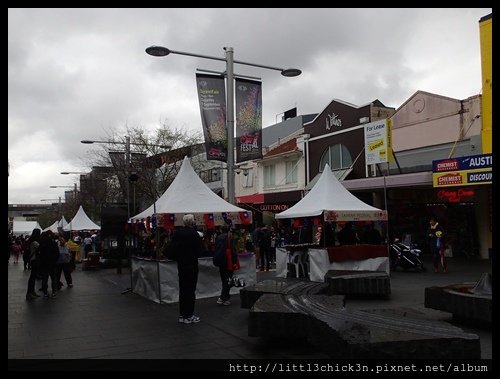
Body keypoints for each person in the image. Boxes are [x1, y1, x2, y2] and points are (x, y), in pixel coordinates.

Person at [169, 214, 204, 324]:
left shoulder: (178, 233)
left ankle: (182, 314)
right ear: (192, 222)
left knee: (183, 289)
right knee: (190, 290)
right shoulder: (194, 234)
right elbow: (200, 251)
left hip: (182, 264)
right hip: (191, 264)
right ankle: (189, 315)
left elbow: (172, 248)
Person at [214, 224, 237, 306]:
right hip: (228, 260)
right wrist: (235, 261)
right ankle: (222, 297)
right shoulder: (230, 237)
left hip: (220, 260)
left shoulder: (218, 237)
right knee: (228, 279)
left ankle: (226, 298)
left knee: (224, 279)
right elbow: (233, 250)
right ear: (228, 230)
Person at [25, 228, 42, 300]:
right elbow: (40, 248)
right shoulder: (35, 242)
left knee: (33, 277)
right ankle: (29, 293)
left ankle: (32, 292)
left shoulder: (31, 241)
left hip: (33, 260)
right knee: (32, 277)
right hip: (35, 260)